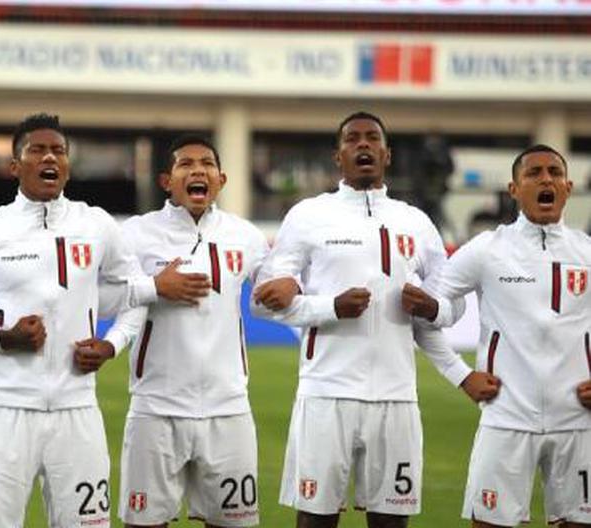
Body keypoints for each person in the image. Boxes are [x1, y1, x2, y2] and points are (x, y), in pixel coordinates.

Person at [0, 113, 209, 528]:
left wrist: (112, 344)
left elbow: (132, 296)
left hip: (78, 412)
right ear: (14, 166)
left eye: (58, 150)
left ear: (68, 164)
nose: (50, 158)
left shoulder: (96, 224)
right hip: (5, 411)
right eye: (37, 150)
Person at [253, 111, 499, 528]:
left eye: (372, 139)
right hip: (326, 395)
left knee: (390, 522)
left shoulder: (417, 223)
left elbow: (450, 305)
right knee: (315, 520)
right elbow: (264, 302)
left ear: (387, 154)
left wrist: (433, 309)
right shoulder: (308, 216)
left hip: (397, 398)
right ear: (338, 155)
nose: (363, 145)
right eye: (352, 139)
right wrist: (330, 307)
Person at [106, 135, 341, 528]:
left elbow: (270, 298)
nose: (198, 170)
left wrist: (300, 291)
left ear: (222, 179)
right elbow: (105, 297)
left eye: (207, 164)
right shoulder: (136, 234)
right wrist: (154, 287)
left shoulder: (244, 235)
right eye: (185, 164)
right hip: (155, 410)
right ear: (167, 180)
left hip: (228, 410)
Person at [428, 145, 590, 528]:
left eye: (554, 172)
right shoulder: (487, 249)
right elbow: (425, 312)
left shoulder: (587, 252)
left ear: (567, 187)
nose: (546, 179)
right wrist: (460, 374)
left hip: (580, 423)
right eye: (534, 173)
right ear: (513, 189)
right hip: (506, 419)